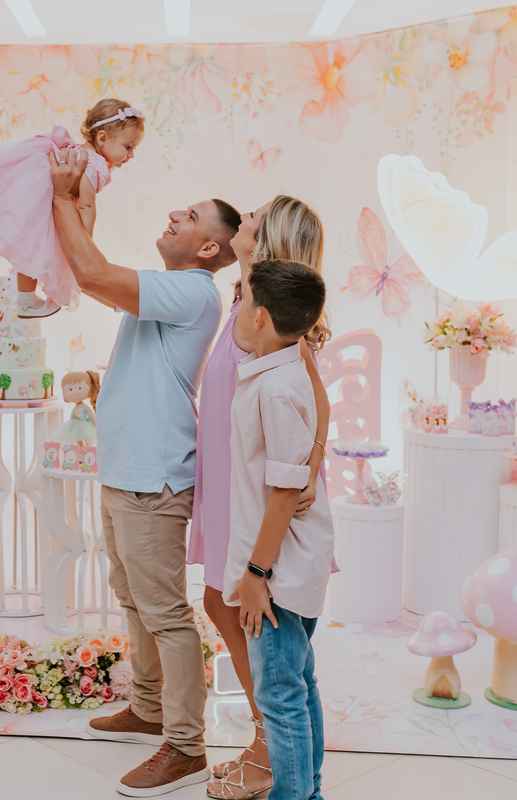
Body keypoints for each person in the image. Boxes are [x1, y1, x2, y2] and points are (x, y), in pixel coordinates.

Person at [48, 145, 240, 797]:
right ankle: (151, 706)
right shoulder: (171, 292)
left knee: (164, 612)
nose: (174, 215)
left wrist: (58, 198)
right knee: (134, 598)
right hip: (126, 469)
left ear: (209, 250)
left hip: (154, 477)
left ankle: (185, 745)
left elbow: (92, 272)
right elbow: (93, 268)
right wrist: (81, 205)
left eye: (189, 217)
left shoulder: (190, 290)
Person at [191, 196, 332, 799]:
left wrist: (309, 466)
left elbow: (315, 404)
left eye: (251, 217)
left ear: (265, 237)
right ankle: (273, 744)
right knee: (221, 600)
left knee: (247, 611)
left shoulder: (269, 323)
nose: (240, 219)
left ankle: (271, 749)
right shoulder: (245, 303)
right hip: (234, 479)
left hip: (259, 489)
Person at [225, 259, 335, 800]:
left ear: (262, 316)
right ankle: (307, 790)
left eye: (242, 303)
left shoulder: (275, 388)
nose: (238, 314)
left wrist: (255, 574)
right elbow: (324, 407)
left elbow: (284, 494)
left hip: (277, 568)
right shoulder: (293, 367)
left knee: (279, 694)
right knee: (298, 681)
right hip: (290, 559)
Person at [0, 98, 145, 318]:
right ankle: (25, 301)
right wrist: (85, 241)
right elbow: (87, 204)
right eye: (128, 147)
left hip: (33, 191)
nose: (130, 155)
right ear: (102, 138)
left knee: (26, 245)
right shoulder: (95, 164)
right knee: (34, 249)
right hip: (48, 201)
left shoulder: (74, 151)